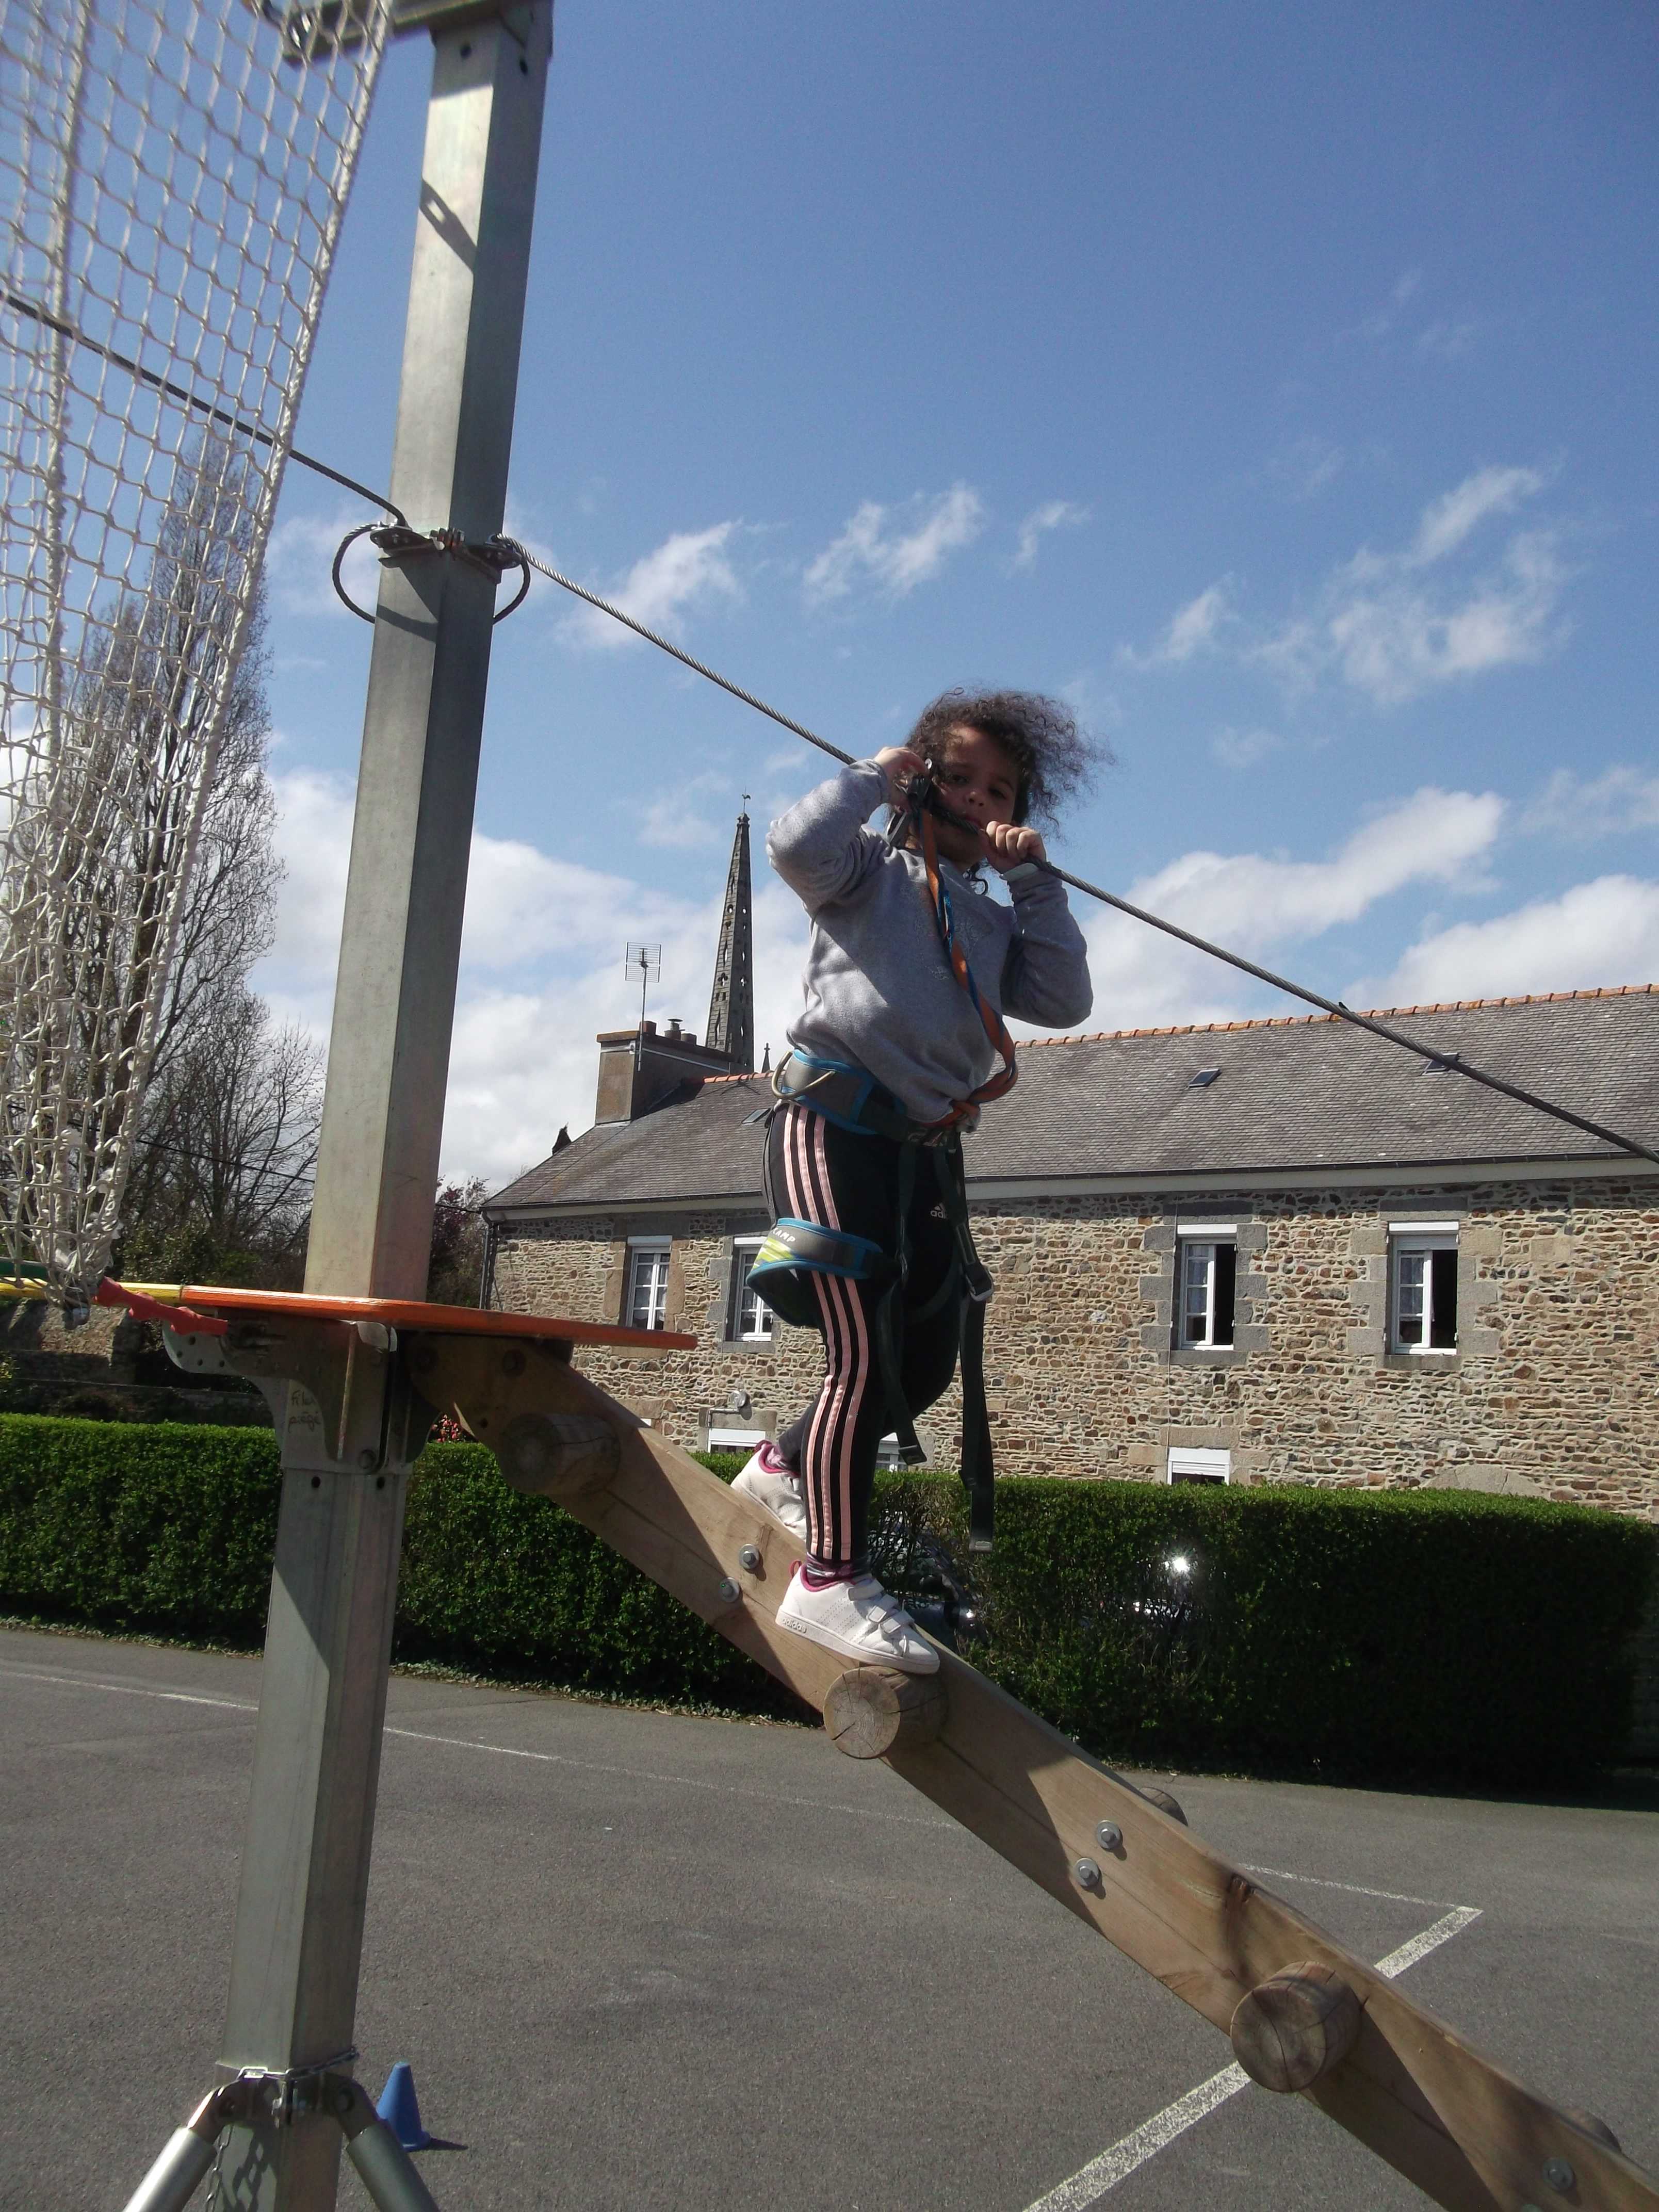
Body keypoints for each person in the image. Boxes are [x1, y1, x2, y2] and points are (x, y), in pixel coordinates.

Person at [735, 690, 1096, 1675]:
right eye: (961, 777)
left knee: (921, 1366)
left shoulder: (995, 919)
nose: (980, 799)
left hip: (923, 1154)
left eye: (1002, 791)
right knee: (862, 1357)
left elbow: (1063, 998)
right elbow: (796, 846)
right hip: (832, 1124)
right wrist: (873, 777)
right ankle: (830, 1582)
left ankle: (779, 1467)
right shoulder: (867, 871)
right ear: (925, 780)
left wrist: (1035, 885)